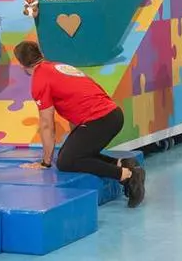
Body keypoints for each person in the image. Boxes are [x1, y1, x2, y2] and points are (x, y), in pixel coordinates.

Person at [13, 37, 146, 208]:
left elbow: (46, 124)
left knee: (65, 162)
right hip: (112, 114)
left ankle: (126, 175)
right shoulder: (58, 67)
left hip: (100, 119)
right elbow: (78, 100)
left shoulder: (40, 80)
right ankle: (123, 163)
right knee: (71, 154)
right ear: (41, 54)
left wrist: (45, 162)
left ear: (22, 65)